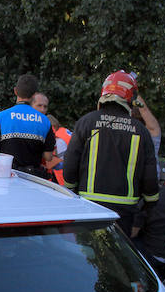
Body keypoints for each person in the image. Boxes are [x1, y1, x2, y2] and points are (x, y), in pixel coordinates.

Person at [61, 70, 159, 234]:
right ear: (130, 97)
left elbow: (70, 162)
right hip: (124, 210)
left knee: (88, 253)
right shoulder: (140, 130)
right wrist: (149, 206)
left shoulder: (86, 122)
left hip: (89, 205)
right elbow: (149, 177)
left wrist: (70, 191)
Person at [0, 74, 55, 178]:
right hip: (33, 178)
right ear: (34, 95)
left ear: (15, 91)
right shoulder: (45, 121)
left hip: (7, 175)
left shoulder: (0, 117)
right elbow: (48, 156)